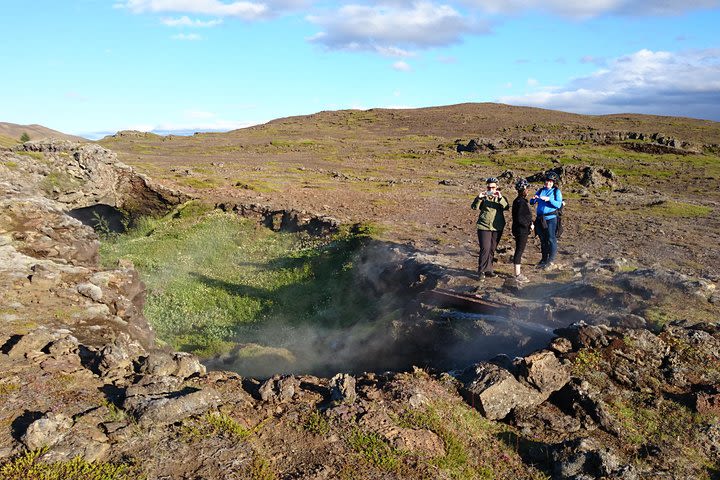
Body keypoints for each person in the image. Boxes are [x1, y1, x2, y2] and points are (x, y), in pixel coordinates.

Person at [471, 177, 509, 280]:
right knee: (485, 248)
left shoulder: (501, 197)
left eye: (493, 187)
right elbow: (474, 207)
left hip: (497, 226)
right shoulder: (483, 197)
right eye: (489, 187)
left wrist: (500, 198)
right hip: (484, 226)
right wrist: (478, 198)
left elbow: (506, 207)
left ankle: (489, 269)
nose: (491, 190)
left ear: (497, 187)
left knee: (492, 249)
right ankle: (481, 271)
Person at [530, 171, 563, 269]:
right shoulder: (540, 190)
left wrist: (549, 199)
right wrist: (534, 199)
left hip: (551, 218)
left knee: (551, 238)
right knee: (542, 239)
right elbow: (531, 201)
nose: (547, 183)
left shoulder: (556, 191)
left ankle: (551, 260)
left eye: (550, 181)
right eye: (546, 181)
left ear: (553, 182)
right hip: (540, 218)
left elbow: (558, 204)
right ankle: (544, 258)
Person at [511, 178, 533, 283]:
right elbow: (520, 218)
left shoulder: (519, 201)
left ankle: (517, 272)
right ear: (523, 189)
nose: (528, 190)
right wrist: (529, 225)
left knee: (519, 250)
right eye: (527, 188)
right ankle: (517, 274)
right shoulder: (520, 202)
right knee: (519, 251)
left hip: (520, 229)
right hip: (521, 230)